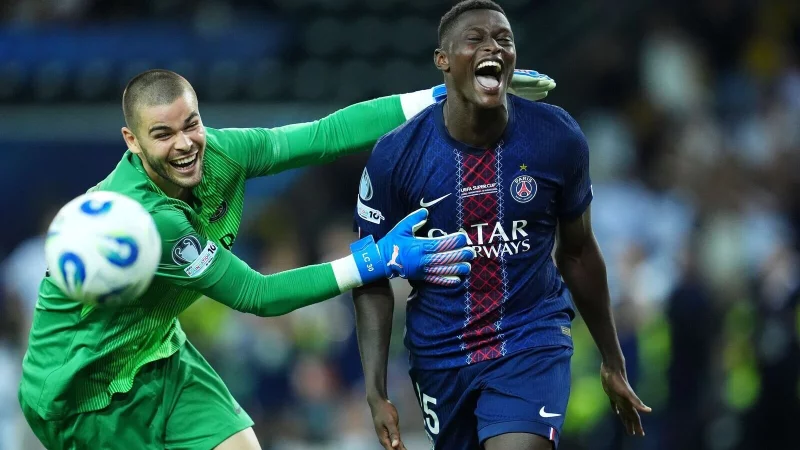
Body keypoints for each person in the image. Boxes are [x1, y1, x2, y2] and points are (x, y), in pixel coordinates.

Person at [18, 67, 555, 450]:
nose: (185, 144)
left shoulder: (221, 153)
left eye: (191, 124)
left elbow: (323, 136)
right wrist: (374, 261)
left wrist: (441, 99)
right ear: (131, 141)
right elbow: (258, 295)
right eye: (163, 135)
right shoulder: (150, 222)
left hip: (159, 356)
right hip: (82, 393)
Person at [352, 1, 651, 449]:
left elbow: (578, 251)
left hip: (531, 336)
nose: (493, 46)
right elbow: (370, 274)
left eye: (504, 39)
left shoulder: (557, 138)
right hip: (441, 353)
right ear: (443, 61)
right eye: (475, 39)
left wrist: (612, 358)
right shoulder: (396, 157)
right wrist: (375, 391)